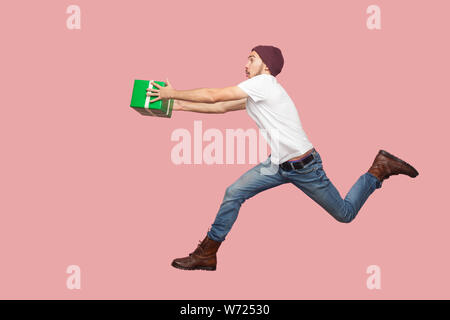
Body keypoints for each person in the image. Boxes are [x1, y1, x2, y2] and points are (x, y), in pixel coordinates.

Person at [147, 45, 419, 271]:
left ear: (266, 66)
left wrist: (172, 92)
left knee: (345, 215)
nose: (245, 63)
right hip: (277, 165)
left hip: (305, 168)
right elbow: (220, 106)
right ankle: (207, 254)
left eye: (251, 59)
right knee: (233, 193)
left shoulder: (264, 84)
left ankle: (378, 169)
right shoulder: (257, 91)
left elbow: (213, 95)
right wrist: (179, 105)